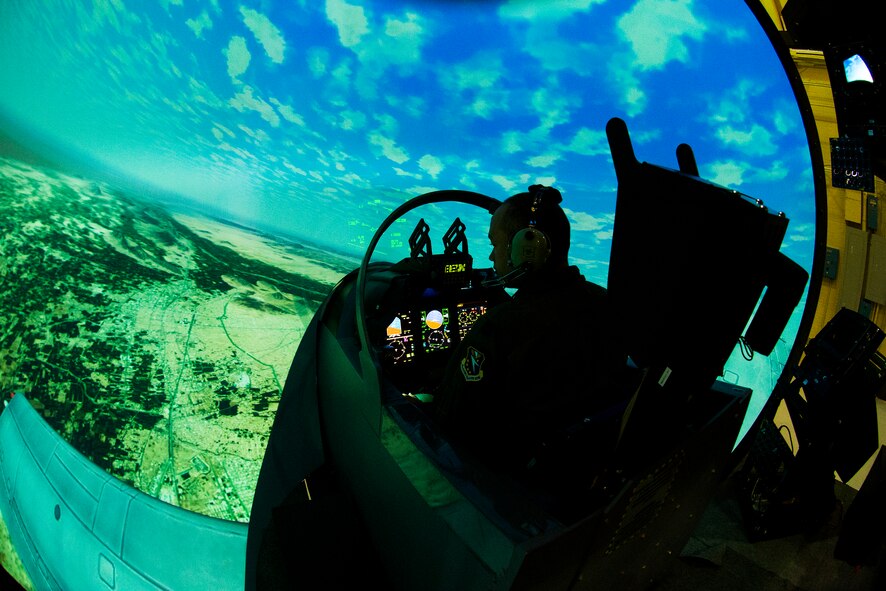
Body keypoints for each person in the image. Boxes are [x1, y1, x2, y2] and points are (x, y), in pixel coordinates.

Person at [432, 185, 627, 487]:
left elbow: (452, 419)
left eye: (495, 244)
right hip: (572, 473)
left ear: (527, 248)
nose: (491, 254)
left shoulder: (501, 326)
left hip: (507, 479)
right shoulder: (607, 305)